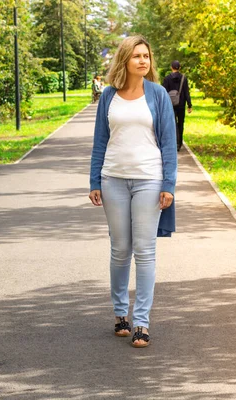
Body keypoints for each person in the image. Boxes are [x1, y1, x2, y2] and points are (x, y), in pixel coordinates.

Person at [88, 35, 177, 348]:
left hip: (149, 180)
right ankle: (120, 314)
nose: (143, 61)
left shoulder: (157, 95)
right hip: (113, 179)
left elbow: (168, 142)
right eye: (137, 56)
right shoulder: (109, 96)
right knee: (120, 249)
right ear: (124, 60)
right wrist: (94, 181)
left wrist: (168, 185)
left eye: (146, 56)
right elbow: (100, 140)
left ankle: (142, 323)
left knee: (145, 250)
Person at [162, 60, 192, 151]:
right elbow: (186, 92)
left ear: (171, 67)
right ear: (179, 68)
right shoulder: (183, 78)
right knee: (181, 123)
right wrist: (189, 105)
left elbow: (164, 92)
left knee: (172, 123)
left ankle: (175, 142)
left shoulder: (167, 79)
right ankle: (179, 143)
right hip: (181, 104)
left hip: (170, 105)